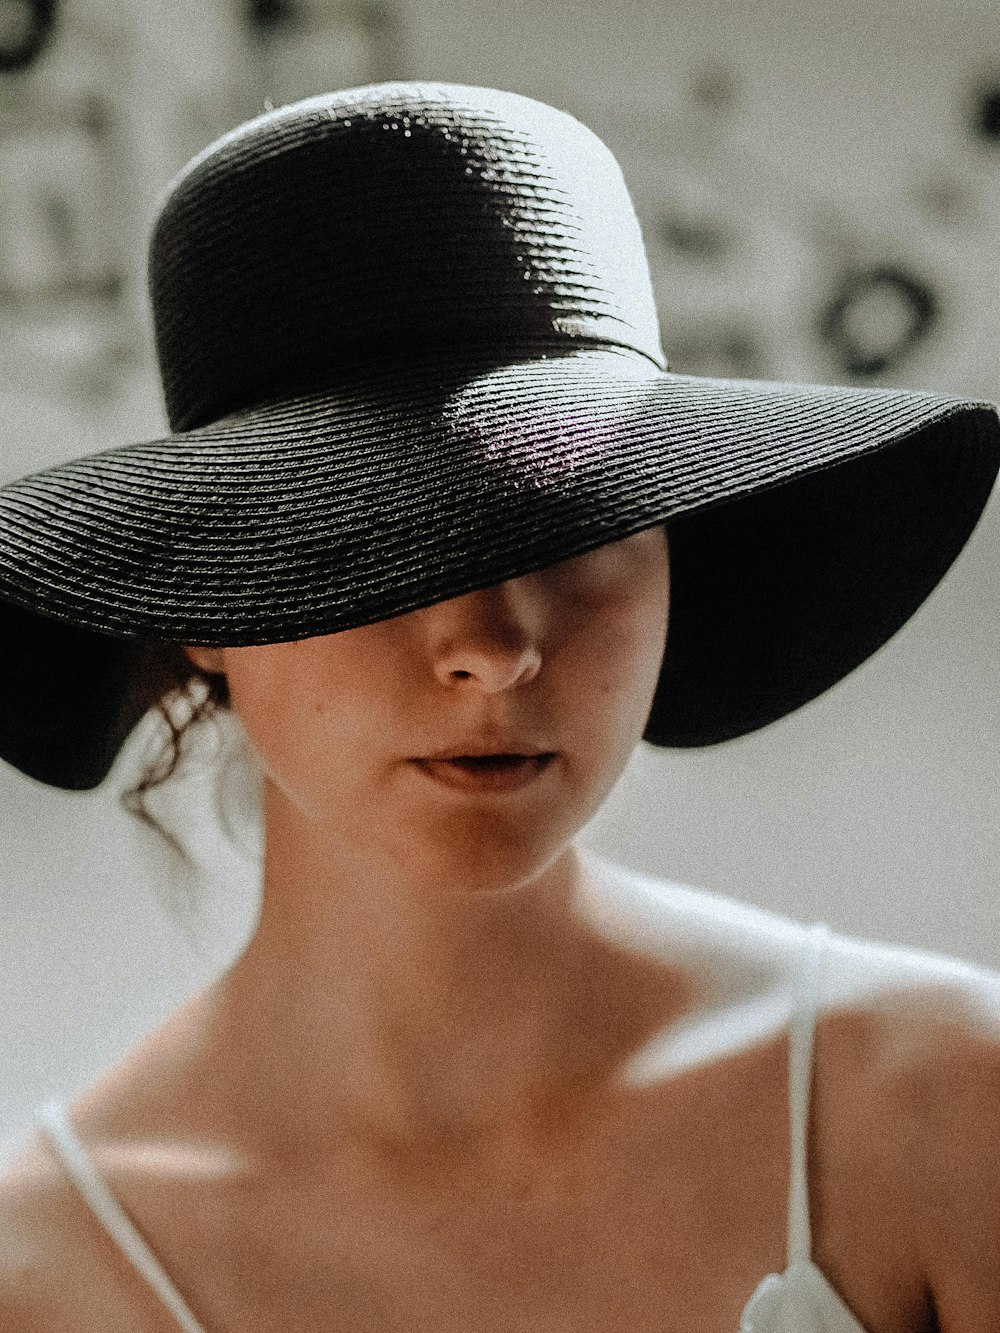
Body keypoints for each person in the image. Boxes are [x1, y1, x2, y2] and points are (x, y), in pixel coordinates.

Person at [0, 81, 997, 1333]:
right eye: (369, 543)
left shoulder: (942, 1110)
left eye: (574, 527)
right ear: (206, 604)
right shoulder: (47, 1279)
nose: (491, 647)